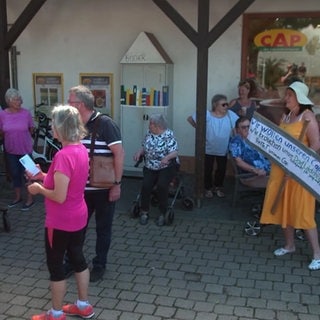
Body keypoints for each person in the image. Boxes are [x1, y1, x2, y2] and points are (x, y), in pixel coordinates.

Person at [28, 105, 94, 320]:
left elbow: (59, 195)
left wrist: (38, 189)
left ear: (60, 128)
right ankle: (83, 305)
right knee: (78, 258)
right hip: (78, 216)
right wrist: (41, 175)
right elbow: (65, 181)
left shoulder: (63, 155)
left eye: (54, 125)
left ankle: (56, 314)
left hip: (60, 221)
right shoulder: (81, 150)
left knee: (56, 267)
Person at [259, 81, 320, 271]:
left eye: (289, 95)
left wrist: (299, 163)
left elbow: (316, 144)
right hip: (281, 170)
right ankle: (289, 245)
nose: (286, 98)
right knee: (283, 207)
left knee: (303, 211)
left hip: (300, 173)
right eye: (286, 95)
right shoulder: (285, 117)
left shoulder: (307, 116)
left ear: (299, 98)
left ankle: (317, 254)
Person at [67, 85, 124, 282]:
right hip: (79, 190)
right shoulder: (72, 124)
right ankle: (73, 261)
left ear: (80, 104)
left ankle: (99, 265)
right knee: (76, 227)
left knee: (103, 228)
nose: (68, 104)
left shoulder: (105, 123)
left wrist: (117, 184)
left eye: (70, 101)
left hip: (103, 189)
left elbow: (119, 154)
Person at [187, 94, 238, 198]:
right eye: (223, 104)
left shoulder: (230, 115)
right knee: (207, 169)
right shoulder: (207, 115)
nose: (226, 106)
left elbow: (236, 129)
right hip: (208, 149)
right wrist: (199, 129)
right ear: (215, 105)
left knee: (222, 169)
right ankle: (208, 188)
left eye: (227, 104)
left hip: (223, 149)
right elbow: (190, 119)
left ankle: (218, 187)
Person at [133, 113, 178, 226]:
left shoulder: (168, 135)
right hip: (150, 166)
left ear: (158, 126)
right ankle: (144, 211)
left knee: (162, 186)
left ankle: (163, 212)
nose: (149, 126)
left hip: (166, 166)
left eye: (151, 124)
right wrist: (139, 152)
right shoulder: (149, 134)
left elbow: (175, 152)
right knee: (146, 185)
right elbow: (144, 147)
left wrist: (166, 158)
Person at [0, 88, 35, 210]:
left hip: (25, 150)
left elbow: (31, 129)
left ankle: (30, 198)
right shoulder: (2, 114)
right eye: (16, 99)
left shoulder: (26, 113)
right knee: (15, 174)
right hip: (11, 151)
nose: (19, 101)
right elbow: (1, 132)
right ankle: (18, 197)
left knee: (29, 175)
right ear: (9, 101)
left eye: (19, 99)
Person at [229, 116, 270, 188]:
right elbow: (239, 162)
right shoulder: (236, 142)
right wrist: (255, 170)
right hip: (252, 176)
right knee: (280, 183)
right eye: (243, 127)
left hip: (267, 172)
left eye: (249, 126)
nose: (247, 129)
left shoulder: (255, 138)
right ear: (238, 130)